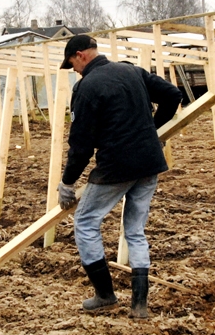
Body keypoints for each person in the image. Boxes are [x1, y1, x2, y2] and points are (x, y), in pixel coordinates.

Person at [57, 34, 182, 319]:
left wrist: (67, 182)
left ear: (81, 55)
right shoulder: (131, 70)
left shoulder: (87, 87)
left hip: (116, 166)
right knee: (135, 231)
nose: (73, 70)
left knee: (86, 221)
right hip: (149, 163)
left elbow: (81, 145)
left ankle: (105, 295)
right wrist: (151, 130)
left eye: (72, 64)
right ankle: (139, 305)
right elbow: (173, 96)